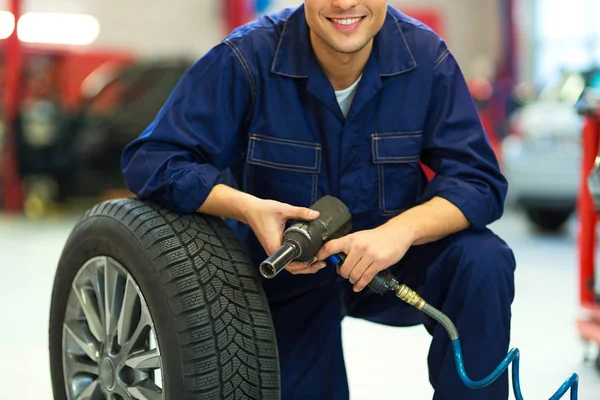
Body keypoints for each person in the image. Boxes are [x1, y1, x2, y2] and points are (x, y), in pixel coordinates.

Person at [121, 1, 516, 399]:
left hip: (392, 264)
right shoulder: (247, 58)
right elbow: (152, 159)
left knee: (483, 259)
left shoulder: (427, 59)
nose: (344, 4)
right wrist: (246, 207)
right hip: (280, 273)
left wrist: (400, 232)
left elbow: (477, 179)